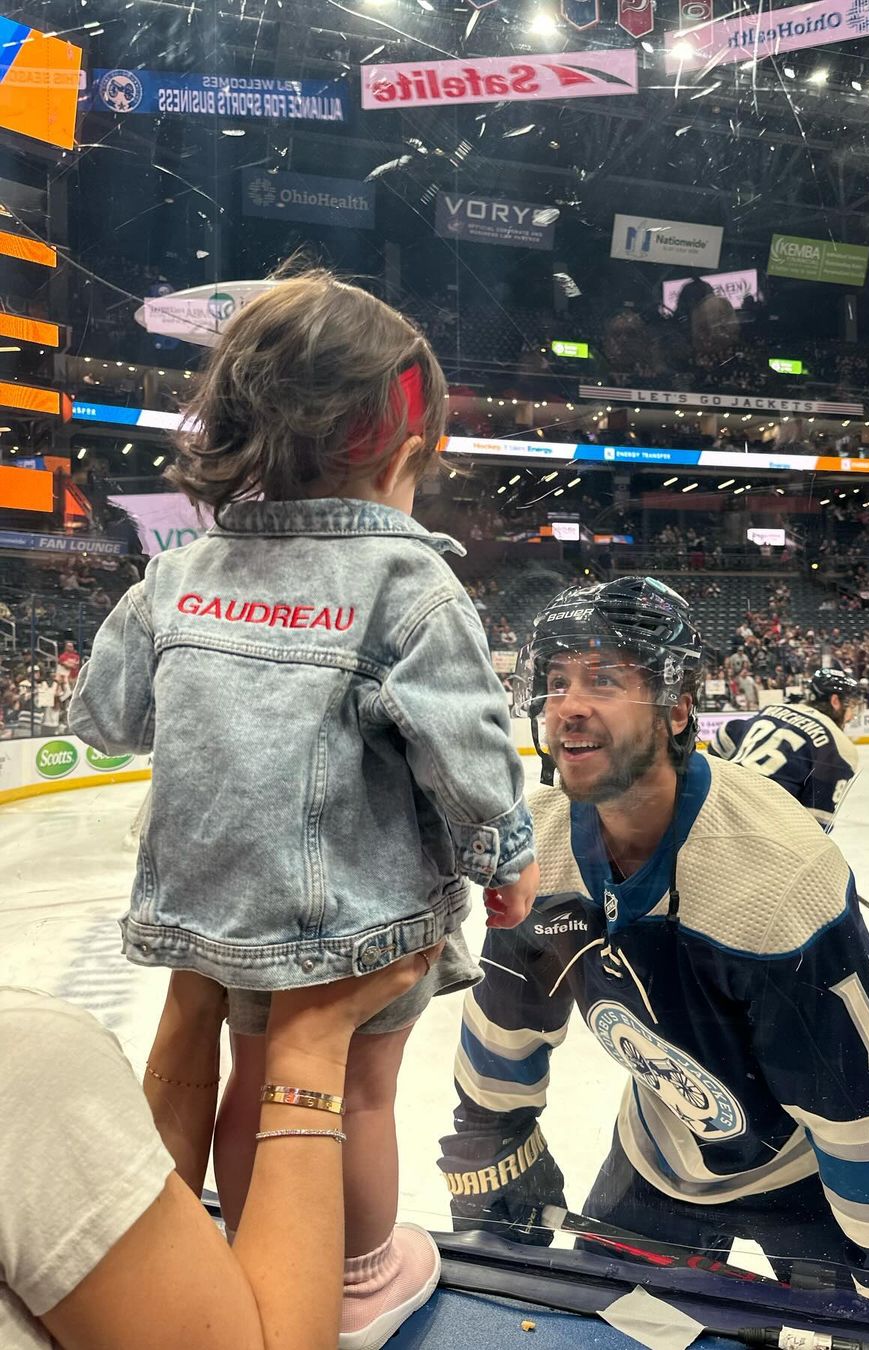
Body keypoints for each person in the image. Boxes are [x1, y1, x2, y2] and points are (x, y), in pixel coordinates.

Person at [68, 268, 539, 1350]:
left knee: (245, 1069)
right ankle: (357, 1280)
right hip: (352, 917)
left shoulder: (180, 572)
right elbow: (464, 749)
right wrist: (502, 856)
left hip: (210, 905)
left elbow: (112, 715)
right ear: (394, 446)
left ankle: (244, 1253)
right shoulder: (408, 583)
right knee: (355, 1095)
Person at [438, 578, 869, 1319]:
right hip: (661, 1151)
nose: (569, 704)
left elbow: (859, 1100)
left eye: (604, 679)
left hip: (813, 1177)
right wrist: (493, 1133)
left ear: (679, 706)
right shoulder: (542, 841)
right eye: (556, 681)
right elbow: (507, 1014)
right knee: (601, 1333)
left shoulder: (778, 883)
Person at [0, 950, 438, 1350]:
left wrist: (192, 1005)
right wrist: (313, 1045)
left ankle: (253, 1254)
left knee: (252, 1080)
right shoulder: (25, 1057)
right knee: (362, 1092)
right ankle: (360, 1287)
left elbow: (109, 1200)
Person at [708, 667, 862, 829]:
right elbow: (816, 825)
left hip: (713, 810)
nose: (852, 716)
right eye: (852, 706)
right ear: (835, 701)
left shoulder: (772, 709)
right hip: (758, 830)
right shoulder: (840, 748)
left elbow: (722, 738)